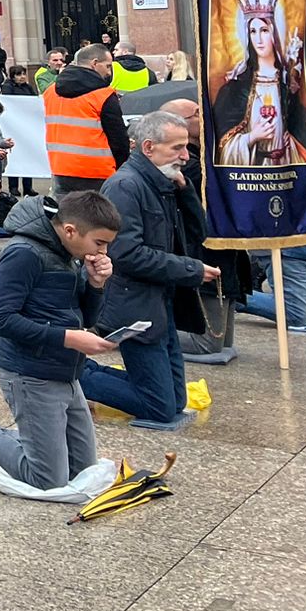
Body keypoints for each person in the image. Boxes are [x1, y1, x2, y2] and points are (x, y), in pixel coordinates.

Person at [0, 190, 121, 489]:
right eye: (100, 243)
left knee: (81, 470)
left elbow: (86, 318)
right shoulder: (24, 253)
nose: (103, 252)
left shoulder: (71, 253)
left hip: (65, 371)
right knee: (47, 479)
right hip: (29, 373)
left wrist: (96, 284)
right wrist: (68, 338)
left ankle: (37, 442)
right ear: (70, 230)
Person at [79, 111, 220, 428]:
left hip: (160, 301)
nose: (185, 156)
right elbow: (126, 254)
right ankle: (73, 372)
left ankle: (83, 370)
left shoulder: (162, 181)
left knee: (175, 401)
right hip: (134, 306)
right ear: (148, 147)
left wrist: (184, 192)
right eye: (177, 148)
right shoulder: (125, 186)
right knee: (158, 407)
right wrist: (190, 269)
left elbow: (200, 233)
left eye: (186, 147)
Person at [212, 0, 306, 166]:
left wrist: (290, 140)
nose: (258, 39)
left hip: (286, 162)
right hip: (254, 166)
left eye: (264, 30)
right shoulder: (236, 87)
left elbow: (304, 128)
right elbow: (221, 145)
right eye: (253, 31)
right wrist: (252, 137)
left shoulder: (286, 83)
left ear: (274, 32)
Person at [45, 43, 128, 191]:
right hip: (98, 171)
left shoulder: (51, 92)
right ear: (95, 63)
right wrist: (123, 167)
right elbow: (118, 139)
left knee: (68, 212)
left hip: (61, 169)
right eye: (108, 66)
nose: (109, 72)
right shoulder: (104, 95)